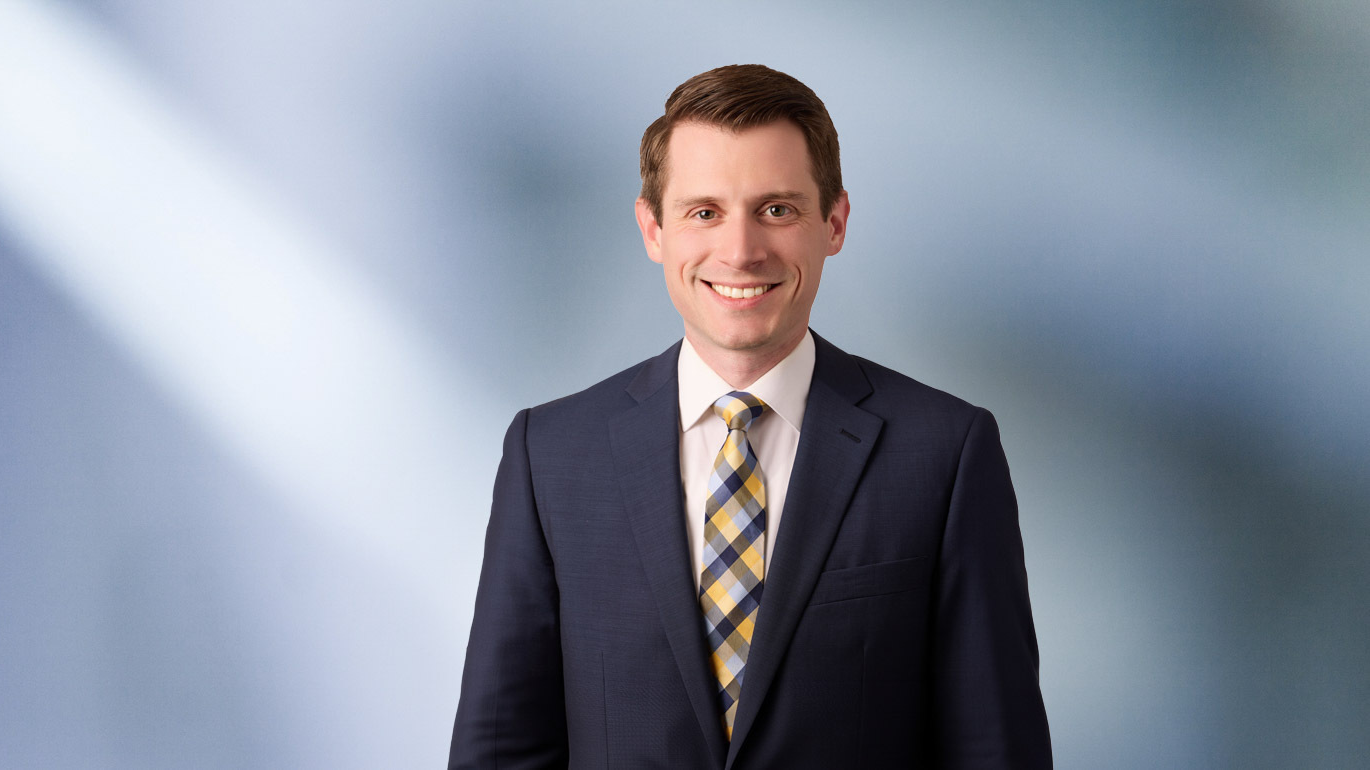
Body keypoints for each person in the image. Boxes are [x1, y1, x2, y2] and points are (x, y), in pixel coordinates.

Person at [448, 64, 1052, 769]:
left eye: (777, 210)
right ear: (653, 229)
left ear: (834, 223)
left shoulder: (945, 453)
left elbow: (995, 752)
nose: (740, 251)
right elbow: (501, 753)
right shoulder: (551, 456)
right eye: (704, 212)